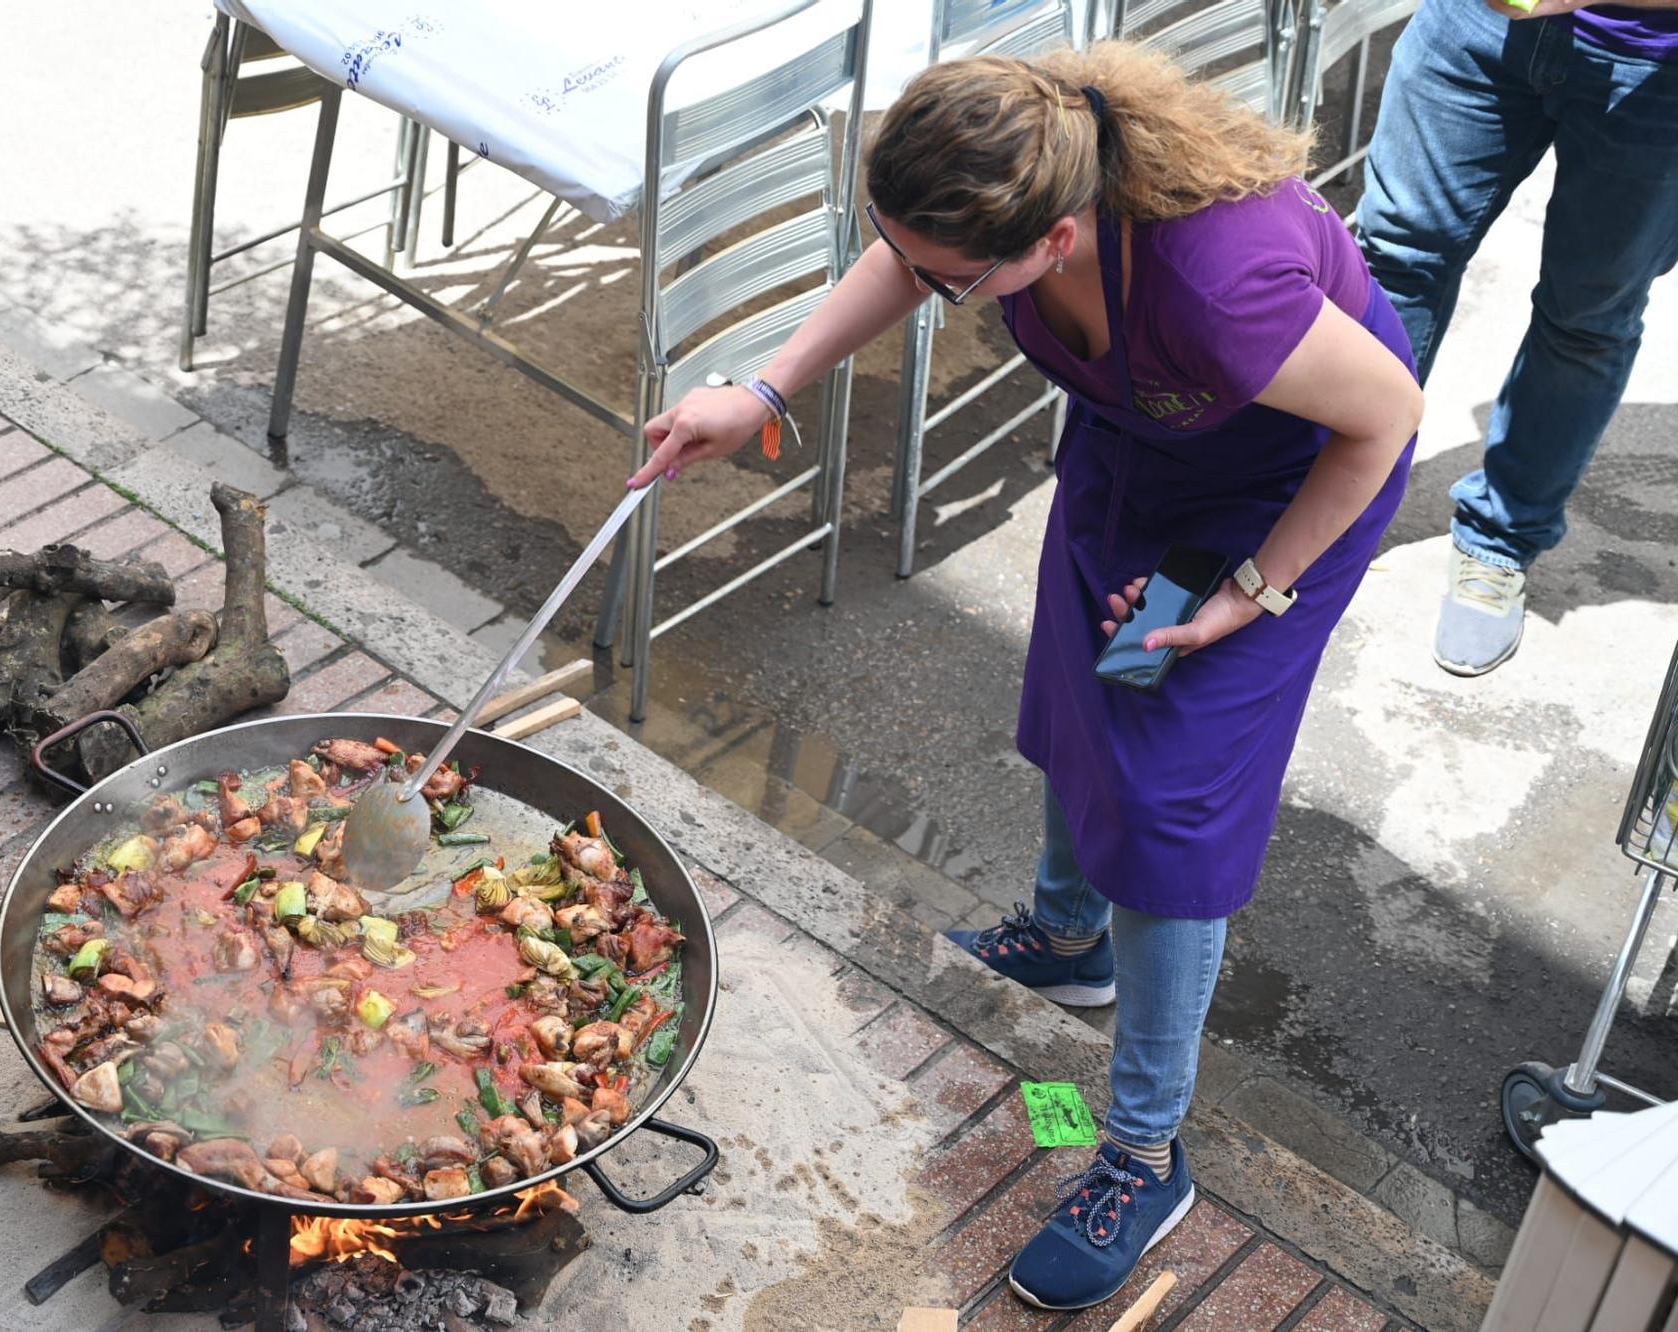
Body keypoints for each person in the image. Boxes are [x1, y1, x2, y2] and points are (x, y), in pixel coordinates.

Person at [626, 45, 1423, 1310]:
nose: (931, 293)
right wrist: (763, 383)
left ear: (1053, 241)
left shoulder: (1220, 287)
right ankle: (1063, 940)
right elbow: (910, 251)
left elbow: (1384, 422)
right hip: (1138, 441)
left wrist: (1248, 593)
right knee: (1076, 687)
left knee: (1168, 809)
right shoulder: (1009, 172)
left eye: (954, 287)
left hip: (1288, 500)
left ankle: (1144, 1154)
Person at [1357, 0, 1678, 677]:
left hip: (1656, 66)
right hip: (1475, 25)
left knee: (1588, 317)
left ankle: (1498, 540)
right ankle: (1327, 498)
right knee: (1392, 258)